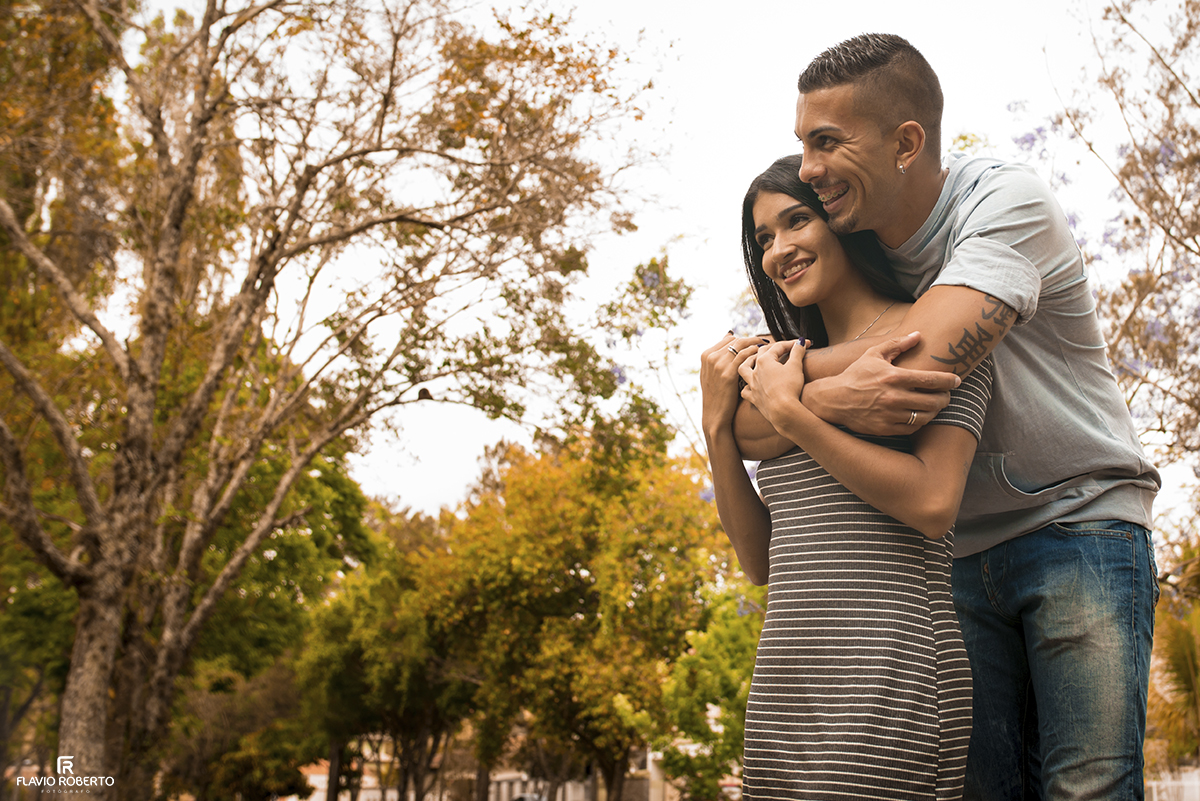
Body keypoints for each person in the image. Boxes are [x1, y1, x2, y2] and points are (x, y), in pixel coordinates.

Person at [735, 34, 1161, 799]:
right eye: (803, 143)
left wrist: (780, 387)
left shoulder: (1003, 203)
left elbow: (912, 368)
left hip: (1081, 522)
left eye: (826, 142)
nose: (807, 169)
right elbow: (744, 421)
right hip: (961, 553)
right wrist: (771, 393)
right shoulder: (860, 239)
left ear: (906, 142)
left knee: (1087, 787)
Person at [701, 154, 993, 800]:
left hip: (893, 674)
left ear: (839, 221)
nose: (779, 249)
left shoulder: (929, 341)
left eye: (796, 221)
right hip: (788, 687)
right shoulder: (778, 369)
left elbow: (934, 503)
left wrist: (790, 414)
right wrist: (716, 426)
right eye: (763, 239)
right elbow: (757, 558)